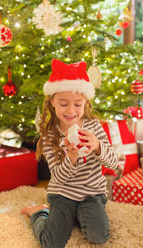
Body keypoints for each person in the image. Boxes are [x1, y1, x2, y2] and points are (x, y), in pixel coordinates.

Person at [21, 59, 118, 248]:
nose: (71, 111)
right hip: (62, 194)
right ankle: (38, 212)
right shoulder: (49, 135)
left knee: (99, 235)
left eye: (78, 104)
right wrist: (71, 157)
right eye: (64, 103)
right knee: (52, 242)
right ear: (52, 102)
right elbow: (58, 178)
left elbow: (114, 163)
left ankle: (78, 215)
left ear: (85, 103)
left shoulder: (93, 127)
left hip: (91, 193)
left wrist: (97, 146)